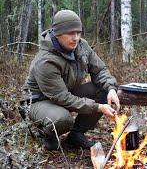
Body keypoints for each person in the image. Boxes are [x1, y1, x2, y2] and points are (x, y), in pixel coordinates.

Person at [22, 10, 120, 150]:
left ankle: (76, 135)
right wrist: (98, 107)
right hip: (38, 101)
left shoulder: (81, 46)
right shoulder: (45, 61)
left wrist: (111, 89)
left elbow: (100, 70)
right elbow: (61, 97)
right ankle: (48, 133)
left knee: (103, 90)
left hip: (64, 92)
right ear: (57, 33)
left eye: (78, 32)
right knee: (63, 119)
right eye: (70, 33)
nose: (75, 38)